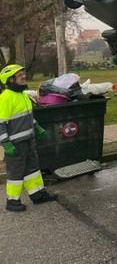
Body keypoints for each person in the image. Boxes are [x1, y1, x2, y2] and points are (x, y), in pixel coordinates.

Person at [0, 64, 57, 212]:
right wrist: (5, 144)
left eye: (23, 73)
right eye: (20, 75)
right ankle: (12, 201)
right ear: (11, 80)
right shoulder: (5, 98)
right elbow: (1, 123)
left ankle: (38, 194)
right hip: (15, 144)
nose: (24, 76)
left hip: (28, 139)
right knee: (15, 173)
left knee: (32, 168)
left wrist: (36, 127)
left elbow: (27, 116)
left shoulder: (22, 95)